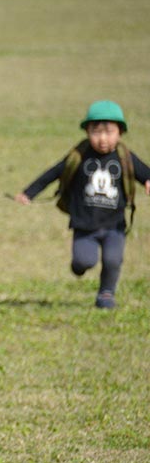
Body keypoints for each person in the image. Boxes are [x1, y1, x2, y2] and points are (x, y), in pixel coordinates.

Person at [15, 100, 150, 309]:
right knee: (84, 261)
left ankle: (106, 294)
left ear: (120, 133)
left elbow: (145, 174)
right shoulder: (79, 156)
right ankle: (78, 266)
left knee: (113, 260)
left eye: (109, 132)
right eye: (96, 132)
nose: (102, 139)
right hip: (84, 225)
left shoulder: (125, 158)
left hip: (114, 225)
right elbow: (53, 172)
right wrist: (29, 192)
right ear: (87, 132)